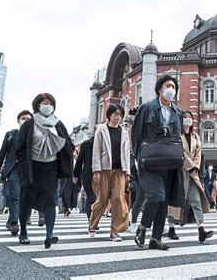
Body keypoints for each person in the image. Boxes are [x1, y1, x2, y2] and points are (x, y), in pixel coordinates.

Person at [131, 74, 185, 250]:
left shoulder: (177, 112)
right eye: (168, 86)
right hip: (149, 160)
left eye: (174, 87)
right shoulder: (147, 108)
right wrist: (136, 158)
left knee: (164, 200)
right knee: (156, 195)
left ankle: (155, 238)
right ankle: (142, 228)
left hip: (169, 160)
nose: (171, 89)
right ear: (159, 89)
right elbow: (136, 135)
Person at [16, 93, 74, 248]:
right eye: (44, 103)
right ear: (37, 106)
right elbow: (20, 147)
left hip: (51, 168)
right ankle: (23, 232)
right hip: (32, 167)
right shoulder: (30, 123)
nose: (47, 105)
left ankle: (49, 235)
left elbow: (67, 142)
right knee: (26, 198)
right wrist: (23, 165)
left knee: (50, 199)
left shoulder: (58, 124)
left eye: (49, 102)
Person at [167, 111, 214, 242]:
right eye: (185, 117)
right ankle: (171, 228)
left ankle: (201, 230)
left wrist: (196, 167)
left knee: (196, 200)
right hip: (179, 171)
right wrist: (190, 166)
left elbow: (199, 152)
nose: (187, 119)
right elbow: (179, 152)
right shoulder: (176, 135)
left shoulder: (195, 136)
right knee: (174, 200)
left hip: (193, 173)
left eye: (189, 117)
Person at [89, 104, 130, 242]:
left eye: (120, 114)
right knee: (102, 200)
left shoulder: (124, 132)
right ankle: (93, 224)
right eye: (115, 114)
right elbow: (96, 150)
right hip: (104, 169)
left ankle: (114, 231)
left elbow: (126, 154)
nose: (117, 117)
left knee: (118, 199)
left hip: (119, 170)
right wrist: (96, 170)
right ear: (109, 115)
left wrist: (127, 171)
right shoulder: (102, 130)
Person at [0, 110, 33, 236]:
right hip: (12, 169)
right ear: (18, 120)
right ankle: (14, 224)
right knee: (14, 195)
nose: (26, 120)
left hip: (27, 170)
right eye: (23, 118)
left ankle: (11, 220)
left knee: (25, 196)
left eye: (28, 118)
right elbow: (2, 153)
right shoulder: (11, 134)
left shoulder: (34, 136)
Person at [73, 136, 96, 221]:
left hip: (100, 174)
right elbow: (79, 160)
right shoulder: (86, 144)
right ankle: (91, 219)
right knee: (91, 196)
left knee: (96, 198)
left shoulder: (103, 143)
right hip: (88, 174)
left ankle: (93, 219)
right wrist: (75, 175)